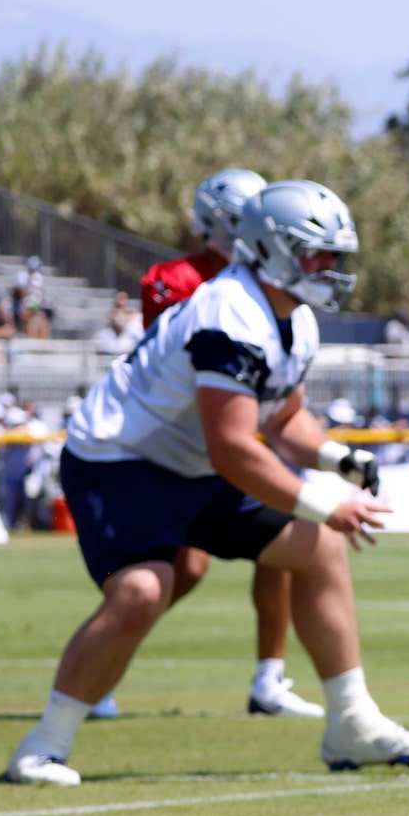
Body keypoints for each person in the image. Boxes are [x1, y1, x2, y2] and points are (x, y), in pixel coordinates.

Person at [4, 181, 409, 785]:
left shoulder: (295, 318)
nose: (331, 269)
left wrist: (339, 458)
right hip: (122, 460)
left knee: (318, 549)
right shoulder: (229, 312)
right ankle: (42, 745)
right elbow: (234, 448)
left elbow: (282, 419)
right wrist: (322, 502)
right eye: (318, 254)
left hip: (193, 462)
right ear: (270, 249)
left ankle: (352, 724)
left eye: (335, 257)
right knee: (143, 589)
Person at [137, 170, 323, 720]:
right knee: (183, 570)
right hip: (180, 442)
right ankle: (104, 664)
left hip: (240, 432)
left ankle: (270, 677)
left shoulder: (273, 289)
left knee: (288, 543)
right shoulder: (181, 281)